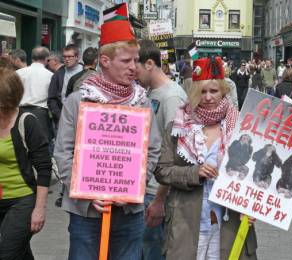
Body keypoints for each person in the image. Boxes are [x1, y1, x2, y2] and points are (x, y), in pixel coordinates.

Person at [54, 5, 162, 259]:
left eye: (135, 60)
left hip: (129, 213)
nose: (134, 67)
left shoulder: (142, 102)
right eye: (126, 61)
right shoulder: (79, 101)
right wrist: (87, 192)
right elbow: (63, 153)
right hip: (86, 214)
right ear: (105, 61)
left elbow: (153, 149)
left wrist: (133, 186)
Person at [154, 56, 257, 260]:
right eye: (202, 91)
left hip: (229, 221)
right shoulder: (178, 125)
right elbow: (162, 171)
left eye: (214, 91)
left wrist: (253, 208)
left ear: (223, 91)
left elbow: (254, 175)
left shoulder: (242, 128)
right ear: (193, 93)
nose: (208, 97)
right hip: (188, 222)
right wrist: (194, 172)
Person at [136, 39, 188, 260]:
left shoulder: (172, 97)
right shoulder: (150, 93)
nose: (132, 71)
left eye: (134, 65)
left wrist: (159, 199)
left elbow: (176, 153)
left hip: (156, 192)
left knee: (153, 252)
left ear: (149, 64)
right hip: (145, 190)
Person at [0, 68, 52, 259]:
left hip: (22, 199)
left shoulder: (27, 121)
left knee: (6, 253)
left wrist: (39, 209)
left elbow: (44, 168)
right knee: (19, 253)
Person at [16, 46, 53, 140]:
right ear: (46, 59)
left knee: (21, 144)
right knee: (41, 145)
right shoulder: (50, 75)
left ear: (32, 58)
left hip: (20, 112)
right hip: (41, 114)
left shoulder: (19, 73)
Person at [47, 44, 83, 127]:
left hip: (81, 115)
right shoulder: (58, 74)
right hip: (63, 116)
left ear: (77, 57)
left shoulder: (85, 72)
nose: (67, 59)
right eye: (65, 57)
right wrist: (59, 115)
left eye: (70, 57)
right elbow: (51, 98)